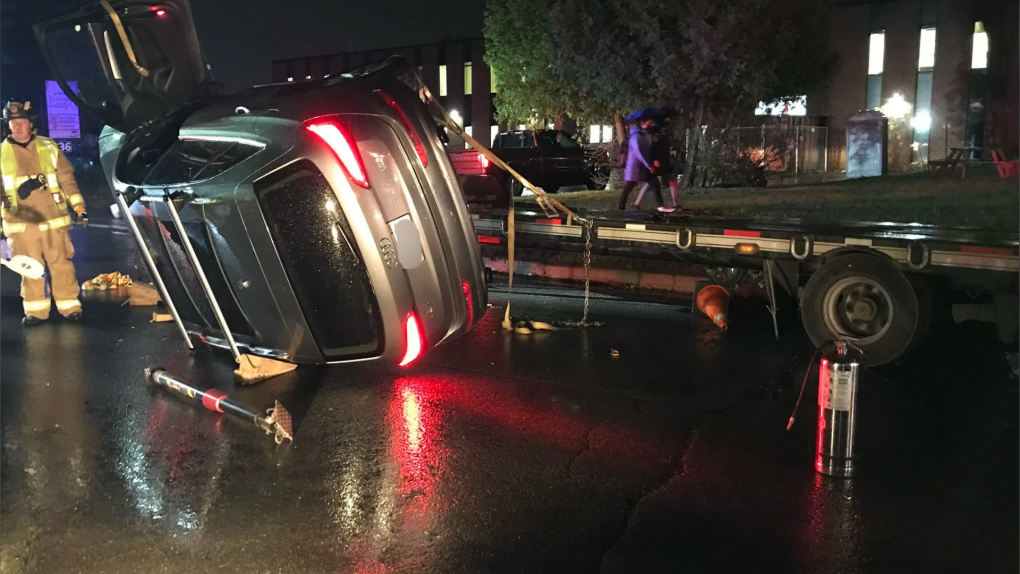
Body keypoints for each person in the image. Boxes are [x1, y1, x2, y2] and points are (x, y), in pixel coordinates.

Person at [1, 100, 86, 326]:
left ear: (31, 124)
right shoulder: (1, 154)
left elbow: (66, 179)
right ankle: (36, 312)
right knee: (30, 271)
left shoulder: (48, 147)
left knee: (62, 265)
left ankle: (70, 307)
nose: (18, 127)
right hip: (21, 226)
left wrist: (79, 207)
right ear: (7, 125)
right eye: (13, 123)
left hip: (54, 221)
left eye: (22, 122)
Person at [618, 118, 663, 210]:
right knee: (629, 187)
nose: (650, 126)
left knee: (655, 183)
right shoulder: (636, 136)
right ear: (642, 124)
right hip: (635, 166)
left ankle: (660, 206)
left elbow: (646, 150)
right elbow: (639, 152)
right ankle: (620, 207)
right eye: (648, 124)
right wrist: (649, 165)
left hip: (642, 166)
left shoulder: (643, 135)